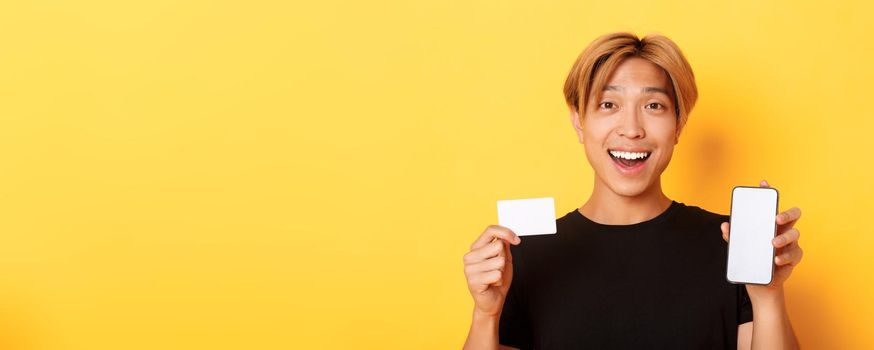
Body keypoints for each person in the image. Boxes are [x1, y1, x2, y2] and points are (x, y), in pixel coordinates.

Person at [461, 32, 804, 349]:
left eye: (653, 106)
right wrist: (486, 315)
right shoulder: (525, 253)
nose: (631, 129)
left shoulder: (732, 244)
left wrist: (768, 296)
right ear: (579, 121)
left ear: (678, 125)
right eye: (608, 105)